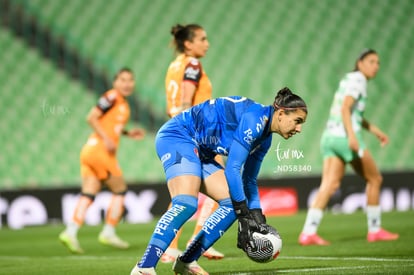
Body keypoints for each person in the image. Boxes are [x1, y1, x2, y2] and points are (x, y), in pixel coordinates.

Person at [131, 87, 308, 275]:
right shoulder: (254, 120)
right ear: (281, 113)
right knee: (186, 203)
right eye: (297, 121)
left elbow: (249, 179)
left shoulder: (265, 139)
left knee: (231, 204)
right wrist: (243, 214)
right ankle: (144, 267)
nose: (299, 128)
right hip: (178, 136)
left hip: (202, 150)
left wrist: (257, 217)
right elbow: (232, 169)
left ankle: (187, 262)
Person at [298, 49, 399, 246]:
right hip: (345, 138)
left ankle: (308, 232)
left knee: (329, 185)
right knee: (375, 178)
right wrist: (352, 137)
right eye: (371, 61)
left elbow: (351, 113)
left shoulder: (348, 79)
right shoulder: (359, 80)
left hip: (329, 137)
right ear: (360, 63)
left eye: (378, 63)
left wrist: (375, 130)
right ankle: (375, 229)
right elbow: (345, 108)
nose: (376, 66)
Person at [59, 68, 145, 253]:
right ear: (115, 82)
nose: (127, 84)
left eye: (130, 80)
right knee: (120, 190)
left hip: (89, 151)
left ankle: (70, 231)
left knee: (88, 193)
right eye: (123, 80)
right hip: (100, 152)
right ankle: (108, 231)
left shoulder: (122, 104)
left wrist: (127, 133)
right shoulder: (112, 96)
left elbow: (110, 124)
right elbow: (92, 117)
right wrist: (106, 139)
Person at [161, 23, 224, 263]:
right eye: (202, 39)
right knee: (221, 187)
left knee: (184, 191)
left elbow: (173, 105)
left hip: (180, 132)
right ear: (188, 43)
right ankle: (198, 242)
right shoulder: (193, 64)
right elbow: (187, 101)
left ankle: (169, 246)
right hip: (200, 134)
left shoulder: (173, 66)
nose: (207, 44)